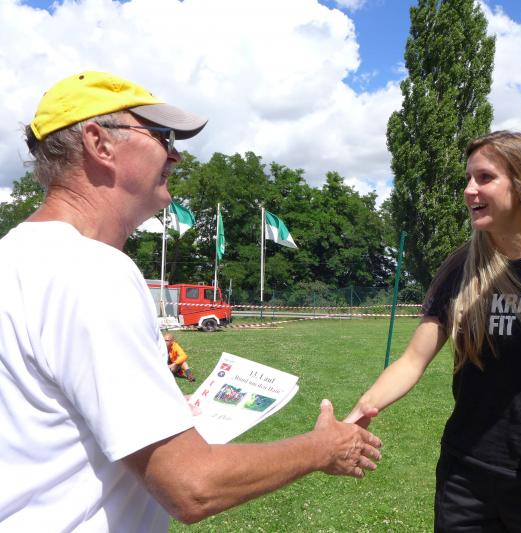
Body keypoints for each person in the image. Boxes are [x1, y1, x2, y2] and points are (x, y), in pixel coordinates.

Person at [0, 71, 382, 531]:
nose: (176, 154)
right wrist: (322, 448)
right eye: (161, 137)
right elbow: (191, 485)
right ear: (100, 144)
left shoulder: (15, 257)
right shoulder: (92, 271)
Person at [346, 131, 521, 533]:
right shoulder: (462, 267)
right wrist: (358, 414)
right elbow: (412, 361)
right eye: (468, 179)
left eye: (484, 178)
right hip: (464, 477)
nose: (469, 190)